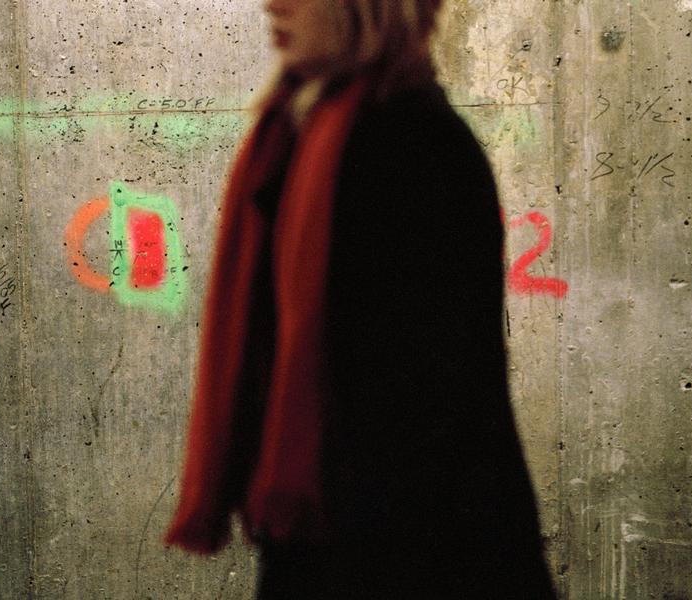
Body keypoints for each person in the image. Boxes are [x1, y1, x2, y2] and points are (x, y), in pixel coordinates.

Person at [165, 1, 557, 598]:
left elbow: (431, 414)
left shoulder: (416, 147)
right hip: (327, 538)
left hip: (416, 555)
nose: (272, 4)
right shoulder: (298, 134)